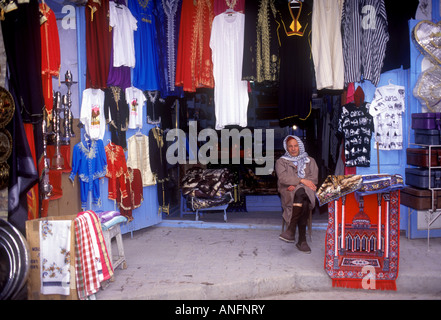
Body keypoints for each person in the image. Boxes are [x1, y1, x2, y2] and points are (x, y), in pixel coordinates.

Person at [275, 135, 318, 253]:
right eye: (290, 146)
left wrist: (298, 184)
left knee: (301, 193)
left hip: (305, 191)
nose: (293, 149)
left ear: (300, 147)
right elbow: (283, 178)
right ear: (286, 148)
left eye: (296, 146)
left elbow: (313, 179)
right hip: (288, 192)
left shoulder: (310, 161)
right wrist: (301, 181)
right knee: (302, 198)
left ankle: (291, 230)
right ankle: (302, 240)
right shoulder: (281, 162)